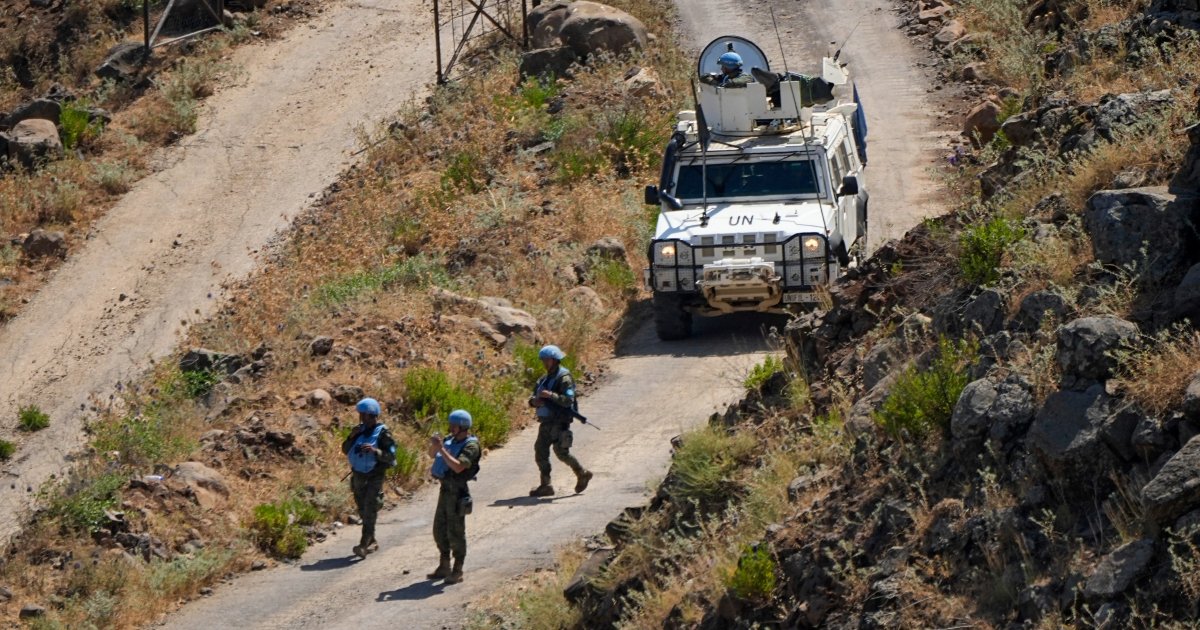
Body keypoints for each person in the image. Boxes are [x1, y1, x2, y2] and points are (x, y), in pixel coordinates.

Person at [528, 345, 592, 498]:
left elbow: (568, 400)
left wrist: (551, 395)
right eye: (543, 360)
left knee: (561, 453)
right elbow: (533, 397)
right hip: (546, 422)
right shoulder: (544, 379)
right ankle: (546, 485)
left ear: (555, 360)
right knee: (541, 451)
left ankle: (581, 473)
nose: (545, 363)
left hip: (558, 421)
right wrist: (534, 402)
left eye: (547, 360)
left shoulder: (564, 378)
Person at [426, 409, 481, 585]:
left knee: (456, 532)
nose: (450, 428)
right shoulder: (450, 441)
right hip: (445, 490)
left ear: (462, 427)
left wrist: (442, 448)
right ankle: (444, 565)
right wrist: (436, 445)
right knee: (439, 530)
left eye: (454, 426)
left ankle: (458, 570)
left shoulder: (471, 446)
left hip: (457, 492)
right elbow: (432, 455)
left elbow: (458, 467)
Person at [341, 397, 397, 559]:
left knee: (370, 507)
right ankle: (371, 540)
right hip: (358, 475)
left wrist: (374, 451)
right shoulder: (358, 431)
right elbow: (345, 450)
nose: (362, 419)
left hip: (374, 476)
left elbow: (391, 457)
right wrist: (351, 437)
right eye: (361, 415)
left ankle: (363, 544)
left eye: (364, 415)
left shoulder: (384, 434)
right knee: (362, 509)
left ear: (372, 416)